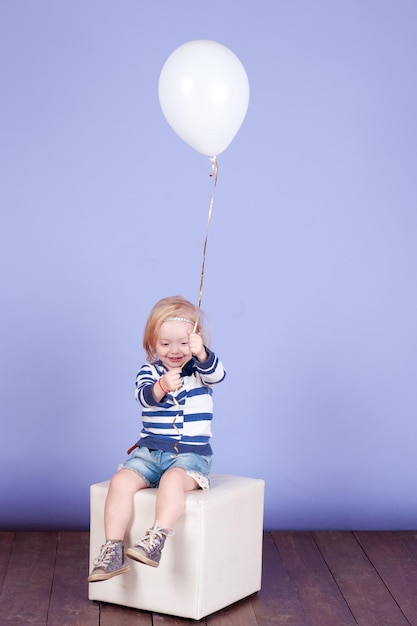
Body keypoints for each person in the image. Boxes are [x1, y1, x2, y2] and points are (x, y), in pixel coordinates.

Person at [88, 295, 226, 582]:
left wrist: (202, 355)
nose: (174, 350)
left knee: (172, 480)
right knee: (120, 481)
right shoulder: (148, 371)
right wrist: (162, 385)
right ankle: (113, 550)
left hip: (190, 454)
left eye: (184, 343)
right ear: (152, 345)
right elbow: (144, 397)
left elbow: (218, 375)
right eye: (165, 344)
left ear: (196, 341)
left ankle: (156, 539)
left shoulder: (201, 371)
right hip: (151, 452)